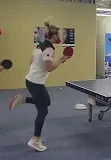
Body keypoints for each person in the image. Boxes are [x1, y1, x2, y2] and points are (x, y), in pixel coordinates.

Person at [8, 21, 70, 152]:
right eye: (58, 34)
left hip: (31, 80)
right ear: (53, 36)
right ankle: (35, 139)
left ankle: (23, 99)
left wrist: (39, 65)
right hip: (36, 83)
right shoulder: (49, 49)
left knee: (46, 102)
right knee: (43, 111)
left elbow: (30, 60)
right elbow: (49, 68)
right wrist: (61, 60)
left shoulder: (39, 46)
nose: (60, 37)